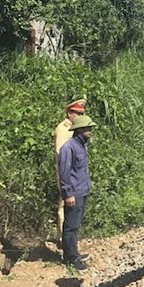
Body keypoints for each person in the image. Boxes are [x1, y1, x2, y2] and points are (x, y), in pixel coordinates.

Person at [58, 114, 96, 271]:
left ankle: (73, 253)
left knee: (75, 225)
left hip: (82, 190)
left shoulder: (82, 145)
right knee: (71, 226)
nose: (90, 131)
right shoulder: (69, 147)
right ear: (79, 130)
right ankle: (71, 258)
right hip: (74, 193)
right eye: (88, 128)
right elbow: (64, 172)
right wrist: (68, 194)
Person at [53, 98, 86, 245]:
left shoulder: (76, 127)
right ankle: (63, 240)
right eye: (76, 113)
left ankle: (70, 243)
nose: (78, 116)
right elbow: (61, 154)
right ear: (69, 112)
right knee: (65, 204)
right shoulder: (63, 128)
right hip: (67, 173)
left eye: (81, 113)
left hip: (76, 174)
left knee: (72, 209)